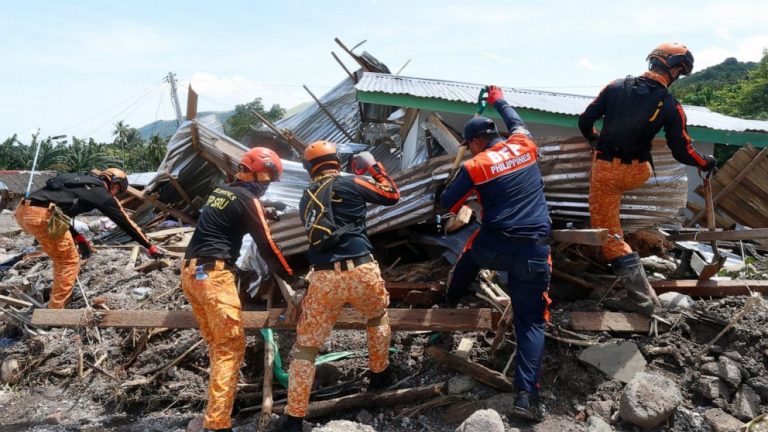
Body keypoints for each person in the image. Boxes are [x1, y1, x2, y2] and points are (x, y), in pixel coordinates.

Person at [578, 43, 716, 315]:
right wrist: (706, 162)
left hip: (607, 172)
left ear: (653, 61)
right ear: (675, 69)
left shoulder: (615, 87)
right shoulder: (670, 105)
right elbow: (682, 150)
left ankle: (640, 299)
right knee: (615, 210)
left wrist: (595, 139)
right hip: (640, 172)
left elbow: (585, 121)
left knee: (609, 235)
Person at [441, 85, 551, 421]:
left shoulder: (475, 166)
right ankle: (526, 398)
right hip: (533, 249)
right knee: (531, 321)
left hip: (495, 247)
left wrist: (464, 188)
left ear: (474, 143)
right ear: (495, 134)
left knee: (472, 250)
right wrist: (498, 100)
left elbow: (447, 204)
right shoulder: (525, 144)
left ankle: (450, 300)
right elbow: (515, 119)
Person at [277, 140, 400, 431]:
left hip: (323, 277)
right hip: (361, 270)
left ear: (309, 169)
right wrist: (374, 167)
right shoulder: (352, 183)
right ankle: (379, 375)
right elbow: (392, 195)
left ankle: (294, 417)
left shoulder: (306, 197)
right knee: (377, 317)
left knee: (307, 347)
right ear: (338, 162)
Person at [181, 147, 295, 432]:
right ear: (254, 171)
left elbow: (229, 216)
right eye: (267, 176)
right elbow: (267, 246)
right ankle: (218, 424)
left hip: (191, 274)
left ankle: (220, 408)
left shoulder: (222, 191)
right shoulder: (248, 199)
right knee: (230, 348)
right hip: (214, 277)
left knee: (218, 347)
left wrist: (265, 211)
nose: (268, 182)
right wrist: (291, 277)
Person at [14, 168, 162, 309]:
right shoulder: (100, 192)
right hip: (42, 215)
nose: (116, 195)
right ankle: (56, 309)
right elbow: (126, 223)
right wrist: (149, 246)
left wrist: (79, 238)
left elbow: (59, 214)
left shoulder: (80, 182)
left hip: (23, 211)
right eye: (118, 190)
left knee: (61, 257)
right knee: (69, 261)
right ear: (114, 183)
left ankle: (58, 296)